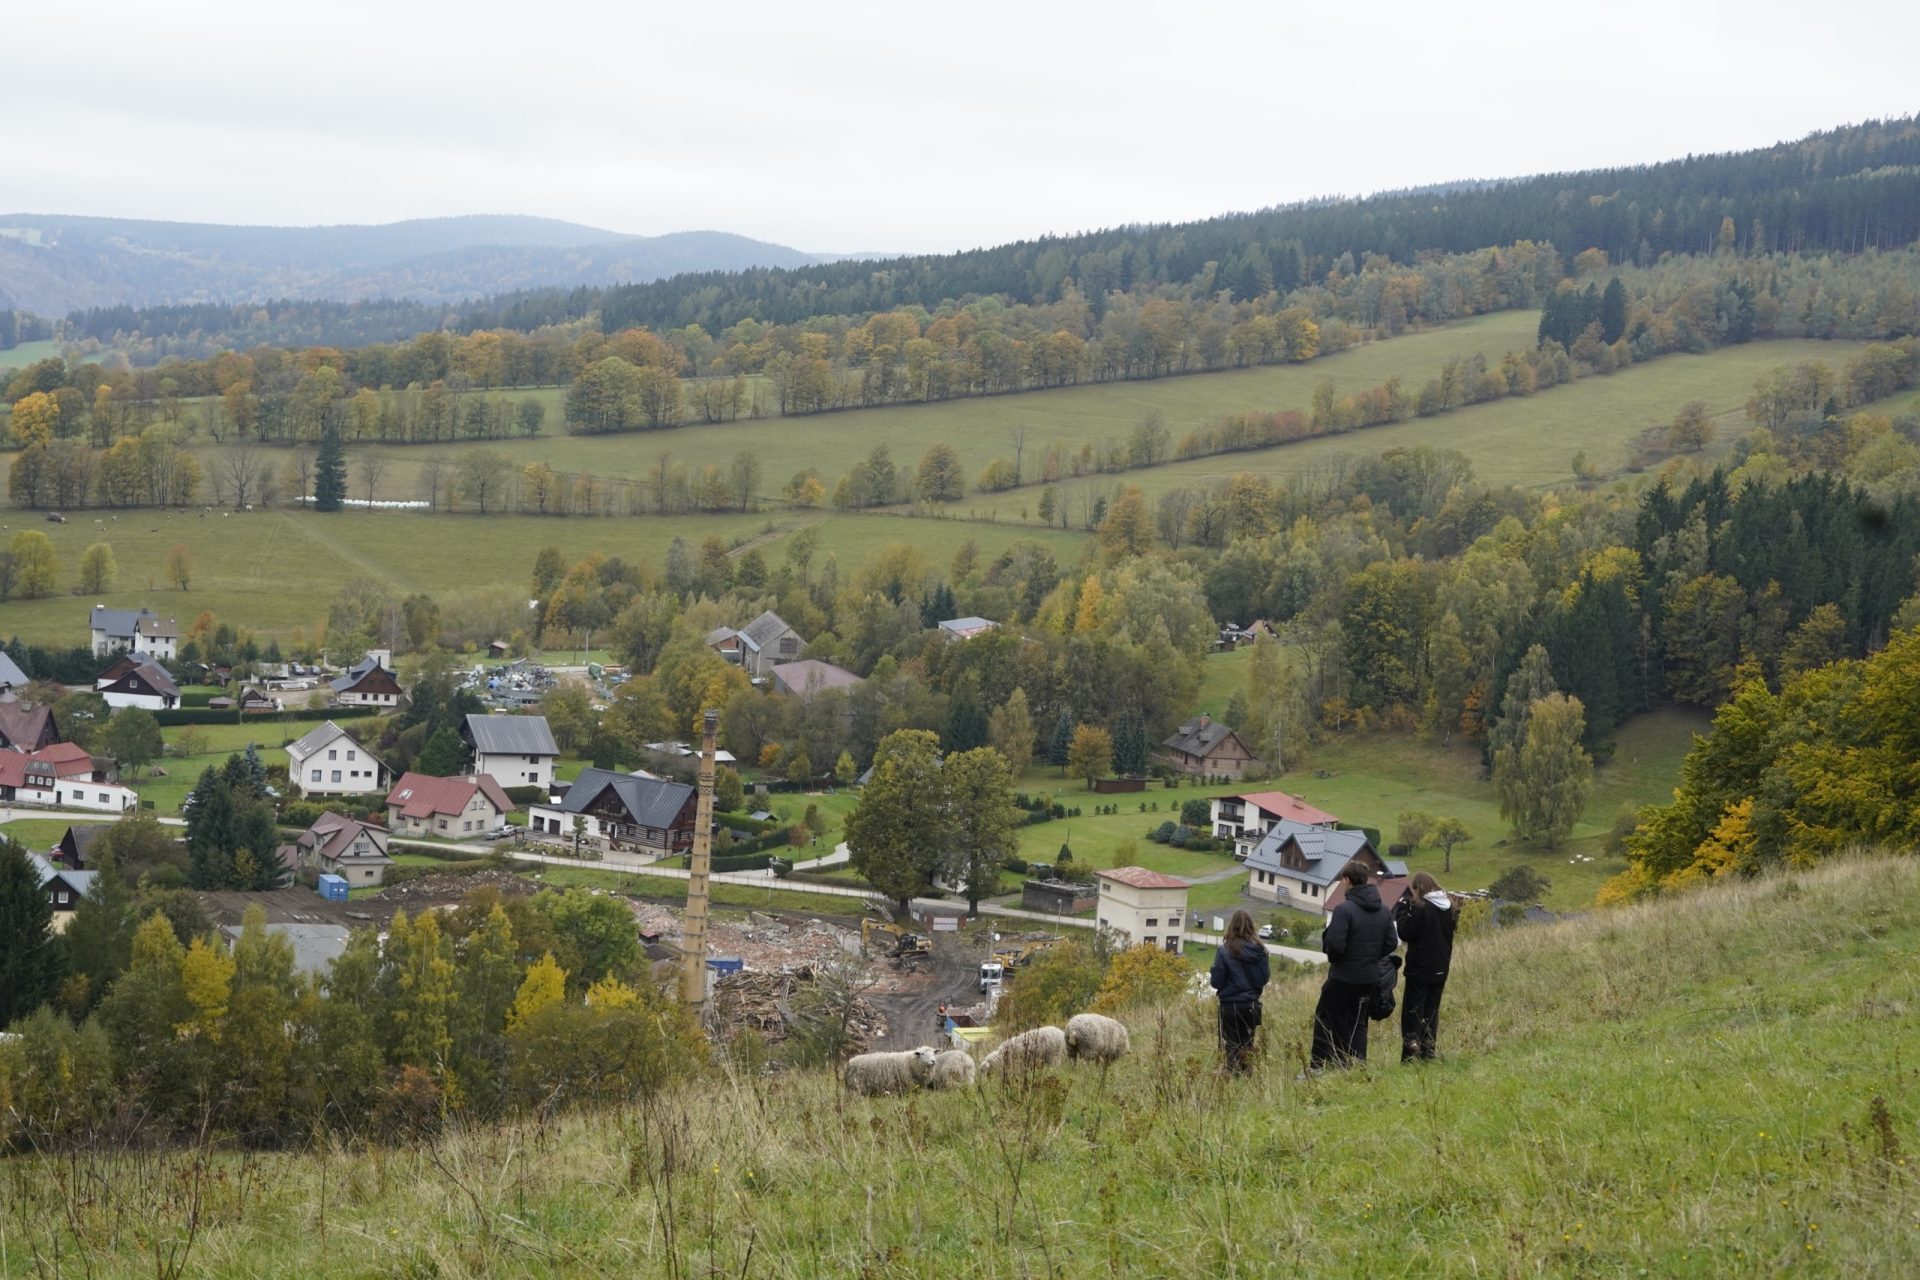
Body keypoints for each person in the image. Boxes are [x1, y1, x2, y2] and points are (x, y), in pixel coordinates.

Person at [1309, 864, 1399, 1070]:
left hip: (1342, 977)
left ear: (1348, 880)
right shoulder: (1384, 910)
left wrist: (1342, 958)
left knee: (1325, 1017)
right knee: (1358, 1022)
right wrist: (1370, 956)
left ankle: (1317, 1066)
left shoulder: (1344, 910)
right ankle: (1355, 1065)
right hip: (1369, 978)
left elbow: (1334, 946)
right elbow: (1391, 943)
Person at [1393, 871, 1459, 1062]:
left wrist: (1403, 909)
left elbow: (1405, 932)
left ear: (1418, 889)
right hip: (1440, 968)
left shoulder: (1422, 908)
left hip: (1420, 969)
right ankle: (1428, 1053)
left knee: (1413, 1013)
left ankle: (1410, 1056)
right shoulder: (1450, 907)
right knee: (1431, 1012)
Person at [1209, 909, 1270, 1074]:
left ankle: (1230, 1071)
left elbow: (1216, 982)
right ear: (1251, 926)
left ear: (1231, 927)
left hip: (1230, 1005)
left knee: (1231, 1042)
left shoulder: (1224, 951)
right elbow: (1264, 979)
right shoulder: (1261, 951)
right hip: (1251, 1004)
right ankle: (1246, 1070)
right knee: (1247, 1041)